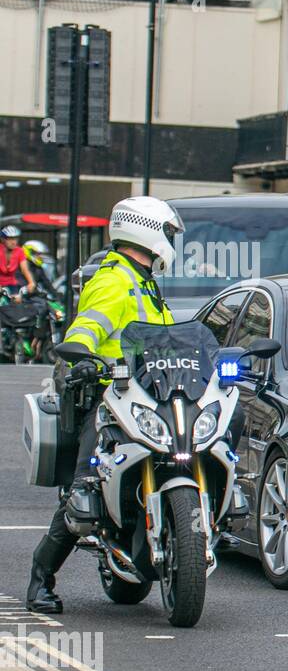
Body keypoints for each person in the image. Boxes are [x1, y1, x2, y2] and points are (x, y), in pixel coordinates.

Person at [26, 197, 182, 614]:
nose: (171, 242)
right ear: (146, 231)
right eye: (168, 233)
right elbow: (91, 323)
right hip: (107, 395)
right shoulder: (116, 280)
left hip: (149, 394)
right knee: (84, 491)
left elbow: (164, 342)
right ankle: (40, 580)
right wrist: (81, 349)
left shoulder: (144, 282)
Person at [0, 225, 37, 297]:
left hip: (11, 285)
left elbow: (24, 269)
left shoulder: (19, 251)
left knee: (17, 302)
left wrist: (31, 283)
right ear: (2, 239)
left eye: (15, 239)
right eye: (10, 239)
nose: (13, 242)